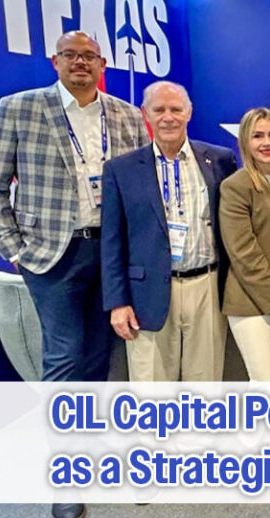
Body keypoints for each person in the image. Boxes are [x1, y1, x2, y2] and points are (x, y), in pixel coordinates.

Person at [0, 30, 150, 518]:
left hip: (110, 251)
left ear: (102, 64)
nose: (80, 63)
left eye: (89, 56)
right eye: (70, 56)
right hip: (53, 255)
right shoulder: (19, 108)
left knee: (100, 356)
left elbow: (138, 186)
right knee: (64, 357)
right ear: (55, 61)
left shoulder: (125, 114)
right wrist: (16, 251)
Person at [101, 81, 237, 382]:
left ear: (189, 113)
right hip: (146, 294)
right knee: (151, 385)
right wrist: (117, 302)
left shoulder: (220, 159)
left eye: (176, 109)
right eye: (159, 109)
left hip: (208, 286)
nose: (168, 117)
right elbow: (112, 242)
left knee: (205, 381)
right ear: (145, 114)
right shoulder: (120, 170)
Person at [219, 108, 270, 381]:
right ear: (245, 142)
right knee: (265, 378)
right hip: (250, 300)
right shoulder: (235, 187)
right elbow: (243, 253)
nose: (267, 143)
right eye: (258, 136)